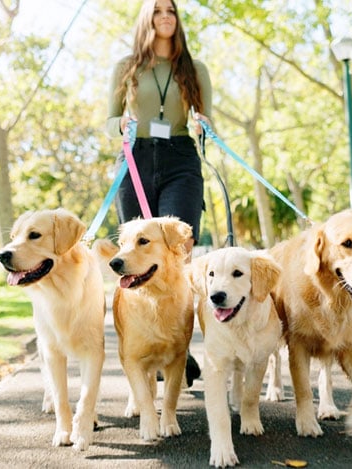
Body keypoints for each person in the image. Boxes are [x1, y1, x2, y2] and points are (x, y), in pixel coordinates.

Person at [106, 0, 212, 386]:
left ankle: (179, 345)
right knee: (138, 254)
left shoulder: (194, 69)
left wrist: (202, 123)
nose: (165, 16)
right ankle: (149, 344)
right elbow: (107, 121)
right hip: (135, 157)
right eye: (157, 10)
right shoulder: (127, 67)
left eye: (170, 10)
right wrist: (119, 123)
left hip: (181, 159)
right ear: (146, 18)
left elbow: (205, 117)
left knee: (177, 252)